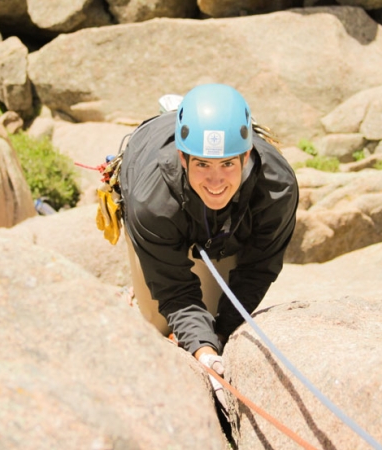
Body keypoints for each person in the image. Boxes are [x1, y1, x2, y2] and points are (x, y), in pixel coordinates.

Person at [118, 83, 299, 385]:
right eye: (202, 163)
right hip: (163, 199)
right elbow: (174, 290)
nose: (216, 180)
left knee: (216, 320)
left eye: (227, 163)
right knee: (158, 324)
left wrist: (221, 334)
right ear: (182, 157)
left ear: (246, 155)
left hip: (230, 225)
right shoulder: (150, 202)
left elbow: (258, 269)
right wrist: (203, 350)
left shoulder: (276, 188)